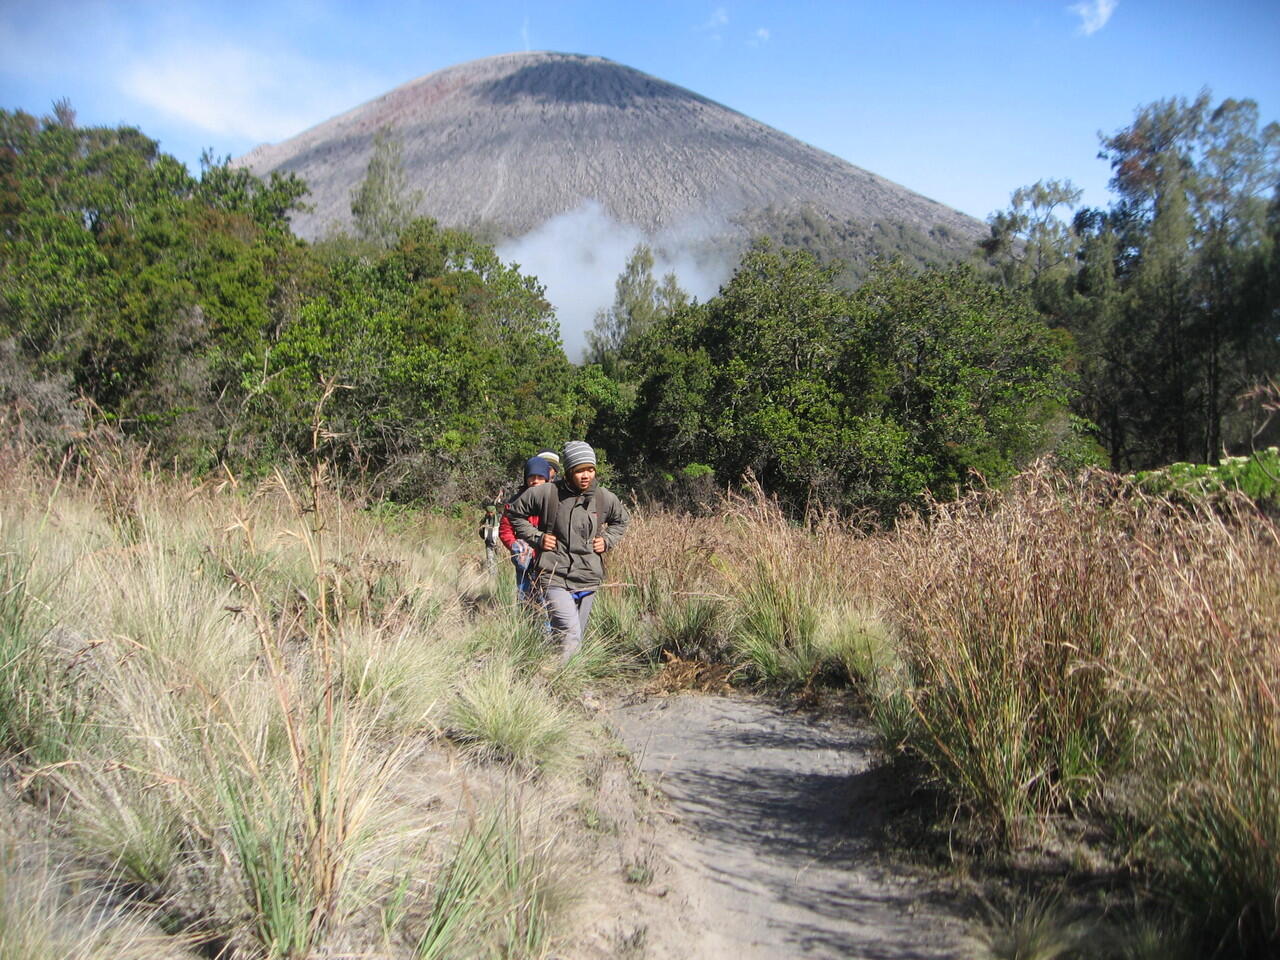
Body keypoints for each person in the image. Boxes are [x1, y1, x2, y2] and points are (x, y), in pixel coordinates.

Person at [508, 441, 630, 662]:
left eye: (590, 469)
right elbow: (515, 513)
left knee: (570, 636)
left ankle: (549, 670)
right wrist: (538, 537)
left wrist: (608, 540)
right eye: (580, 470)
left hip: (588, 578)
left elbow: (621, 521)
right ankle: (562, 683)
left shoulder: (603, 497)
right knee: (571, 632)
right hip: (554, 575)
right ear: (569, 471)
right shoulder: (547, 493)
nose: (586, 475)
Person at [498, 456, 552, 608]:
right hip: (524, 561)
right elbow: (505, 529)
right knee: (525, 599)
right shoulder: (514, 502)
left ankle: (546, 631)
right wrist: (514, 545)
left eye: (540, 477)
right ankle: (525, 629)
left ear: (547, 479)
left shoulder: (555, 501)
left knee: (547, 601)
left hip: (548, 559)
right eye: (531, 477)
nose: (535, 481)